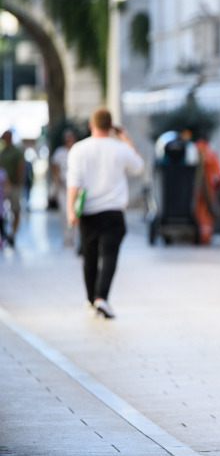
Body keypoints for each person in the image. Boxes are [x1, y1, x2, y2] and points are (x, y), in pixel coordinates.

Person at [66, 107, 144, 319]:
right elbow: (138, 166)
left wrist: (70, 210)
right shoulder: (120, 148)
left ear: (91, 125)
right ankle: (102, 297)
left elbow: (73, 182)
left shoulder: (79, 149)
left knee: (89, 257)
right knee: (109, 255)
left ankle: (91, 299)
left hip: (88, 211)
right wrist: (126, 139)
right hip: (113, 211)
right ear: (111, 127)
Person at [193, 135, 220, 244]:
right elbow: (218, 174)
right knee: (207, 213)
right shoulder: (211, 154)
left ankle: (194, 234)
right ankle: (205, 236)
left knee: (196, 211)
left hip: (194, 188)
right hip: (209, 188)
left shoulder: (193, 151)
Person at [51, 129, 78, 248]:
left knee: (76, 210)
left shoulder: (78, 151)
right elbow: (55, 168)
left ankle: (75, 237)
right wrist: (58, 181)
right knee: (64, 211)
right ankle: (67, 237)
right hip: (64, 187)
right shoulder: (59, 153)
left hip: (76, 186)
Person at [0, 130, 25, 244]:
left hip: (14, 185)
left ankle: (13, 234)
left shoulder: (16, 152)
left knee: (15, 209)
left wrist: (17, 180)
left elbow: (21, 166)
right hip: (3, 186)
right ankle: (4, 234)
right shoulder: (3, 152)